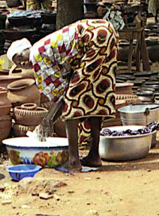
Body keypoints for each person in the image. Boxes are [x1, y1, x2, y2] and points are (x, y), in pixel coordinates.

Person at [7, 19, 118, 171]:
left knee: (71, 101)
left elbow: (61, 94)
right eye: (18, 63)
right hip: (106, 31)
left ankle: (73, 161)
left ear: (27, 48)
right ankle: (94, 155)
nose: (22, 63)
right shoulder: (47, 46)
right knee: (96, 93)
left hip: (93, 37)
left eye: (20, 57)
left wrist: (48, 120)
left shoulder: (37, 54)